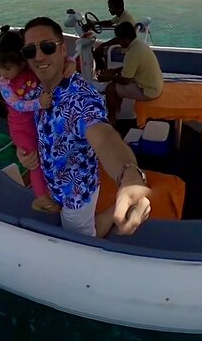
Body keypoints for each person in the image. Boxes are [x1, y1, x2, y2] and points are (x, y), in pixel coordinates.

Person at [16, 17, 151, 237]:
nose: (39, 56)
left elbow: (105, 138)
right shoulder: (33, 93)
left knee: (83, 237)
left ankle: (104, 223)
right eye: (30, 51)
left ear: (62, 50)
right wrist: (23, 153)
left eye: (47, 47)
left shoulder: (81, 99)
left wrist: (129, 177)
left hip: (76, 194)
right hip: (53, 185)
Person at [0, 27, 75, 214]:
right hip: (22, 129)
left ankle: (52, 190)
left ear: (21, 62)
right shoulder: (4, 83)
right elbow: (17, 105)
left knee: (49, 156)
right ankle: (41, 198)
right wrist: (39, 103)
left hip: (39, 124)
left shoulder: (31, 68)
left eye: (6, 67)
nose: (2, 72)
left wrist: (70, 63)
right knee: (34, 162)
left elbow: (57, 60)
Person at [98, 21, 164, 124]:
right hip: (155, 85)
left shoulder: (132, 53)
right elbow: (131, 67)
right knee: (116, 84)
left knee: (110, 88)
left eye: (119, 39)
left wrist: (108, 77)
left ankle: (111, 119)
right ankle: (117, 114)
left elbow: (125, 80)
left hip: (149, 91)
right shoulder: (139, 44)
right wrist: (114, 71)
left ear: (126, 39)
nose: (118, 42)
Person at [91, 0, 137, 72]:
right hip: (124, 43)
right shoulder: (122, 15)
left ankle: (103, 73)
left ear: (117, 8)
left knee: (97, 52)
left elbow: (118, 39)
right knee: (101, 48)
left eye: (110, 7)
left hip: (125, 48)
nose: (109, 9)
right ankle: (103, 71)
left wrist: (103, 45)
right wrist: (96, 23)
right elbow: (110, 22)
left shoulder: (125, 20)